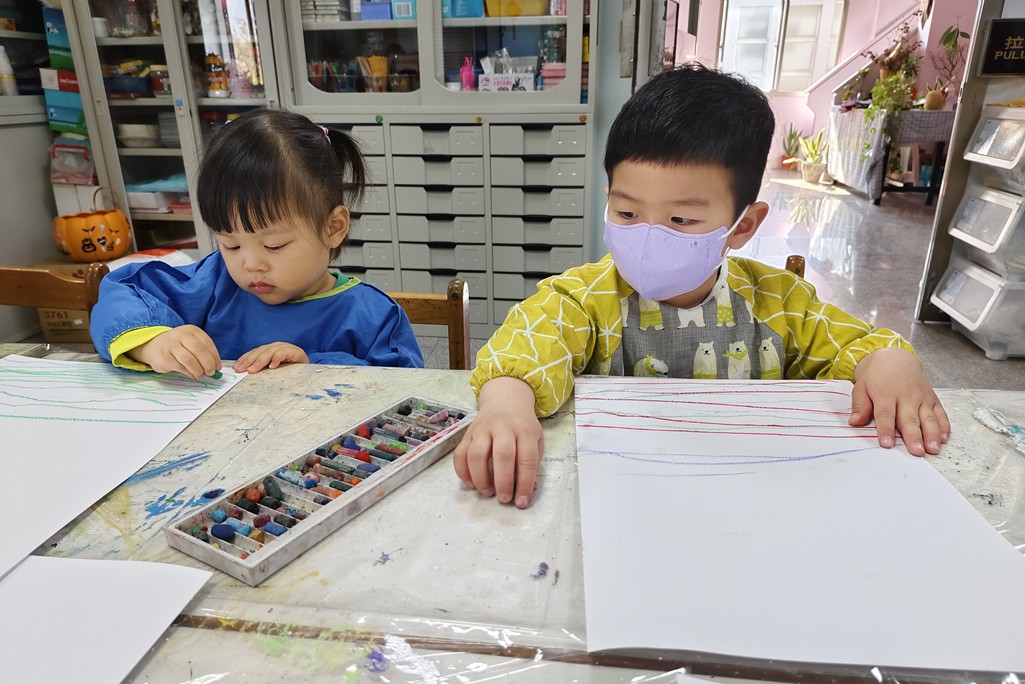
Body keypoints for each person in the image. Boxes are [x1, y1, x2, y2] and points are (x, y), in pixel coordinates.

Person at [454, 64, 950, 509]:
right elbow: (528, 343)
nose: (649, 236)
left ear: (742, 226)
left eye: (681, 220)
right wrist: (506, 404)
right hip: (628, 500)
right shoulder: (586, 298)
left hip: (752, 499)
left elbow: (859, 345)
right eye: (627, 212)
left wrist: (891, 362)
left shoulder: (779, 303)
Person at [90, 108, 423, 377]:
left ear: (333, 228)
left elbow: (406, 386)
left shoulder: (373, 316)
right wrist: (151, 342)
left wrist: (314, 365)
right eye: (230, 245)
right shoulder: (213, 284)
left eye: (274, 245)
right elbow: (123, 291)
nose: (250, 264)